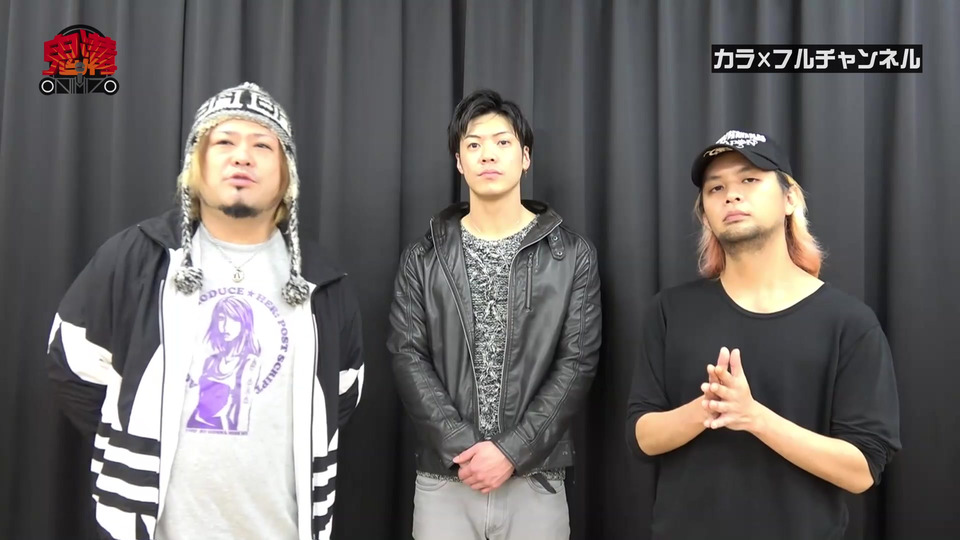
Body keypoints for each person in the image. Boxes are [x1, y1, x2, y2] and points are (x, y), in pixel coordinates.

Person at [46, 82, 364, 540]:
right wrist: (136, 429)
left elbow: (342, 393)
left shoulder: (321, 283)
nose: (242, 157)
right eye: (224, 142)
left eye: (262, 145)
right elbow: (72, 362)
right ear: (196, 164)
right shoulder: (139, 258)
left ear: (286, 173)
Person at [625, 129, 901, 539]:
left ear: (790, 199)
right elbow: (642, 437)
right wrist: (706, 409)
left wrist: (755, 417)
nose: (731, 195)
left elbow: (861, 470)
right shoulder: (669, 311)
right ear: (705, 213)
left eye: (750, 179)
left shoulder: (849, 322)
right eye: (716, 188)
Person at [387, 89, 602, 539]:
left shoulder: (571, 256)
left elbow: (577, 363)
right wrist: (463, 447)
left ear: (525, 157)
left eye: (502, 142)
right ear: (459, 162)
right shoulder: (423, 257)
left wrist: (512, 451)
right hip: (448, 478)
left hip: (535, 478)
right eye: (473, 144)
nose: (488, 154)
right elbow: (408, 356)